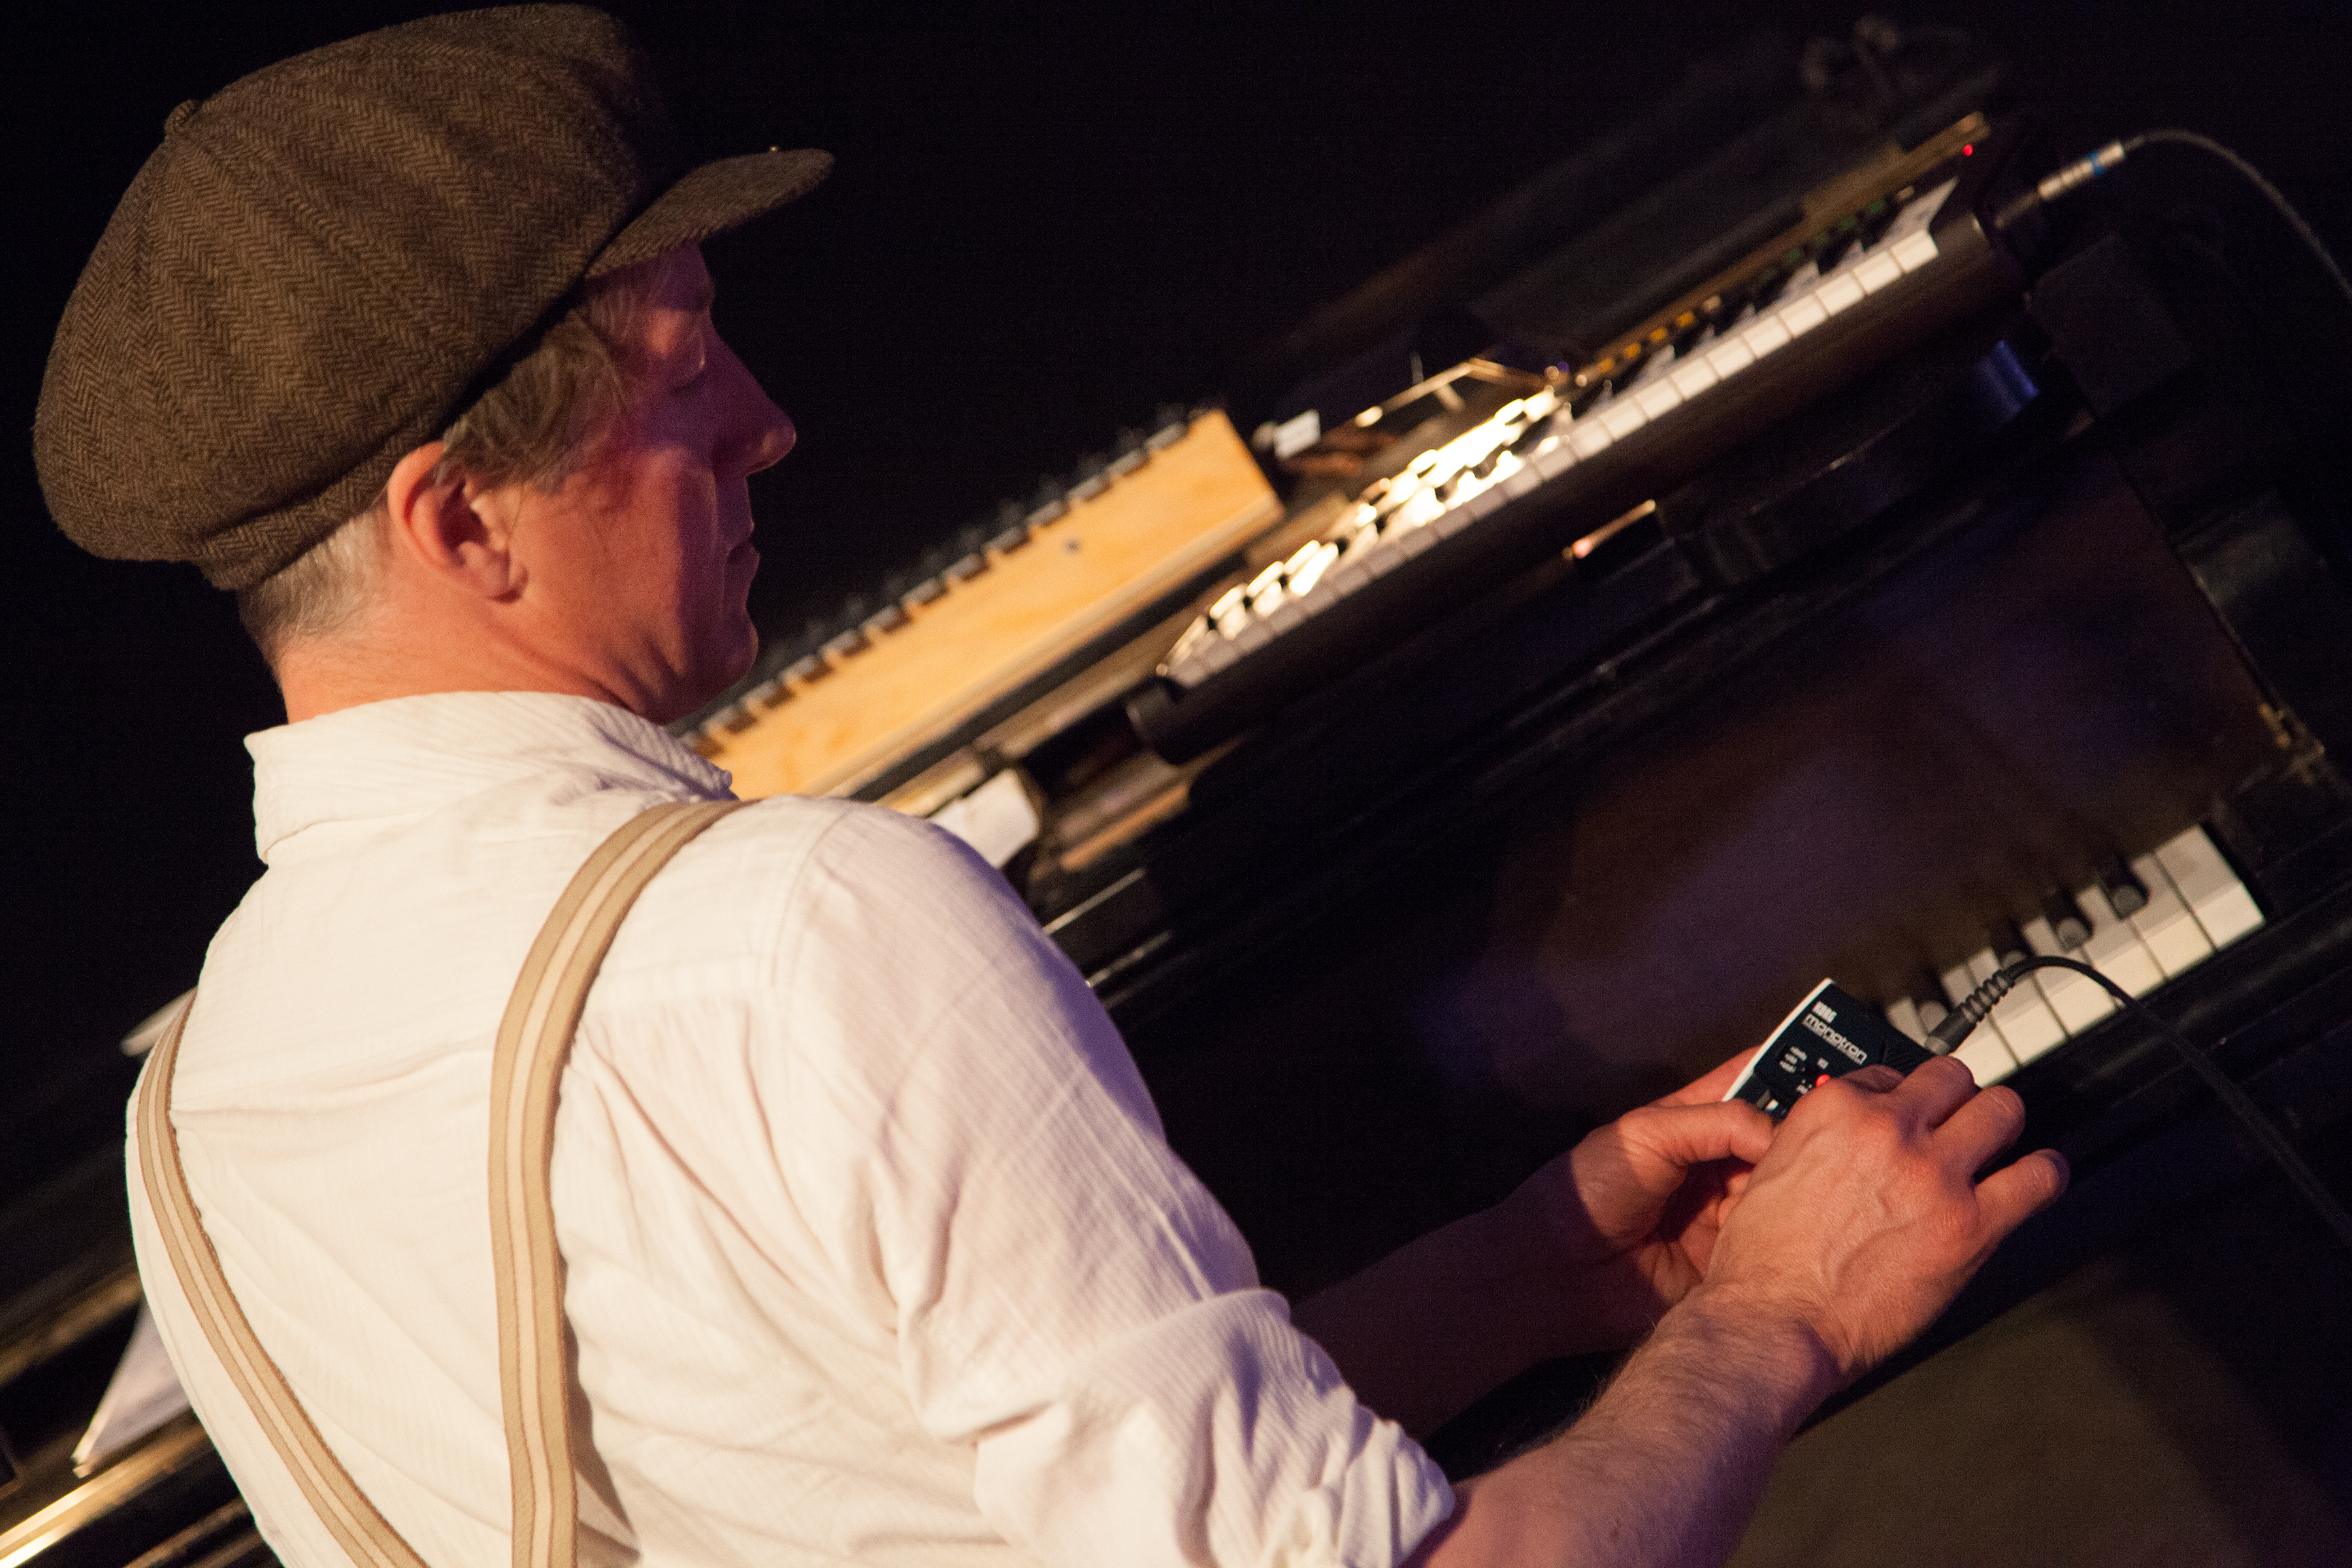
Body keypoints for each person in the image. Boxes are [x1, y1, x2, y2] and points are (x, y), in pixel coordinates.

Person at [35, 8, 2067, 1566]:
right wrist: (1776, 1322)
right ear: (461, 522)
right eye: (683, 372)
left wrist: (1535, 1270)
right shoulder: (803, 934)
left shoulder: (187, 1129)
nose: (767, 424)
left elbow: (945, 1499)